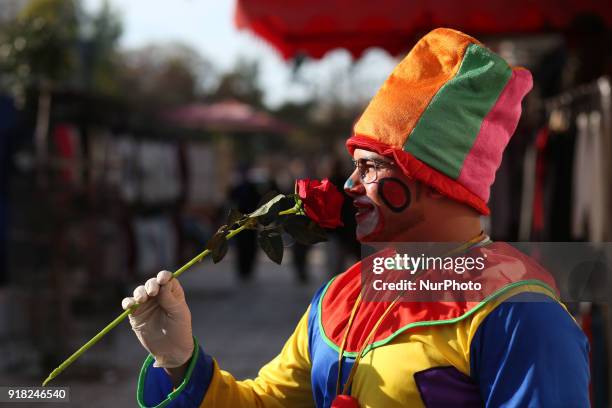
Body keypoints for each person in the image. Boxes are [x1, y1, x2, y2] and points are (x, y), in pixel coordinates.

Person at [122, 28, 589, 407]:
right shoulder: (339, 297)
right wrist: (179, 359)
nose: (349, 185)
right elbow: (264, 403)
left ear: (431, 178)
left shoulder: (518, 314)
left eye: (369, 168)